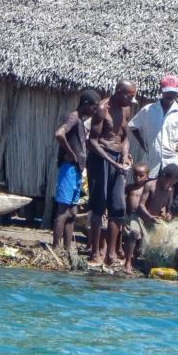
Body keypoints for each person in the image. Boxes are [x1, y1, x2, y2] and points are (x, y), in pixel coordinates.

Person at [87, 79, 137, 267]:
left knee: (118, 207)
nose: (131, 101)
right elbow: (92, 141)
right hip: (101, 159)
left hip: (117, 161)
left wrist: (124, 157)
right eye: (129, 96)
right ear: (118, 92)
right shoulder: (102, 109)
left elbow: (124, 138)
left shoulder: (125, 109)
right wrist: (110, 161)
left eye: (133, 97)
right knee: (99, 206)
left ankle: (111, 253)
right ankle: (94, 254)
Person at [128, 75, 178, 196]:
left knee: (171, 193)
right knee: (148, 191)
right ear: (160, 91)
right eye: (167, 92)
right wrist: (143, 144)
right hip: (152, 158)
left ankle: (169, 214)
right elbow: (133, 126)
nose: (170, 95)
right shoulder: (148, 110)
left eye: (173, 93)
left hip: (171, 160)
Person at [52, 90, 100, 250]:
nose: (95, 111)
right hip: (69, 169)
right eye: (94, 107)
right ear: (86, 104)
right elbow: (59, 134)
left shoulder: (80, 121)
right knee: (63, 212)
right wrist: (70, 153)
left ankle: (67, 249)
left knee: (72, 212)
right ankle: (56, 248)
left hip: (77, 169)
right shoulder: (73, 117)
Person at [122, 163, 150, 275]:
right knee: (126, 236)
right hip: (128, 215)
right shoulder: (129, 187)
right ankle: (126, 258)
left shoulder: (146, 189)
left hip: (140, 218)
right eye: (135, 175)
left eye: (141, 175)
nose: (137, 177)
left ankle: (134, 257)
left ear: (147, 177)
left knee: (137, 238)